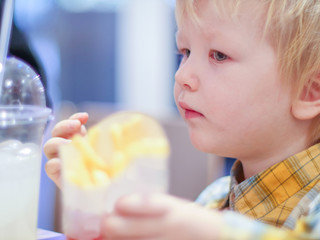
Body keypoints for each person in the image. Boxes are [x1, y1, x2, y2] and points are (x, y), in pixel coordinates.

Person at [44, 0, 320, 239]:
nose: (182, 76)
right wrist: (96, 198)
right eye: (185, 52)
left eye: (219, 55)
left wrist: (212, 232)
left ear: (309, 91)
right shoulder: (212, 200)